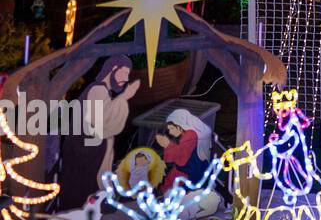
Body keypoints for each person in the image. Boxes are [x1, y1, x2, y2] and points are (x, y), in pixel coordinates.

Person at [54, 55, 139, 210]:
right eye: (124, 73)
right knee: (84, 188)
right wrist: (124, 97)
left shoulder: (101, 90)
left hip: (90, 150)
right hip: (86, 151)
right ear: (114, 69)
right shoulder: (97, 90)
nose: (126, 79)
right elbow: (103, 122)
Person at [155, 108, 212, 193]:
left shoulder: (190, 134)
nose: (170, 132)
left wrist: (167, 144)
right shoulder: (189, 134)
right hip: (191, 171)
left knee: (171, 185)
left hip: (192, 173)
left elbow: (182, 159)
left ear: (179, 126)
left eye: (172, 128)